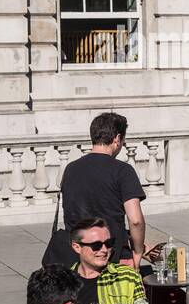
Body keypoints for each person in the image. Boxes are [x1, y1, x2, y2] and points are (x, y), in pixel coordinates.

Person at [49, 111, 147, 267]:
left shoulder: (70, 169)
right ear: (117, 138)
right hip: (111, 254)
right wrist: (138, 251)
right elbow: (135, 221)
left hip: (79, 256)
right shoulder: (123, 171)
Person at [65, 217, 145, 304]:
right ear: (77, 247)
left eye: (109, 243)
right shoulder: (62, 281)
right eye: (96, 245)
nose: (104, 250)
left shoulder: (128, 276)